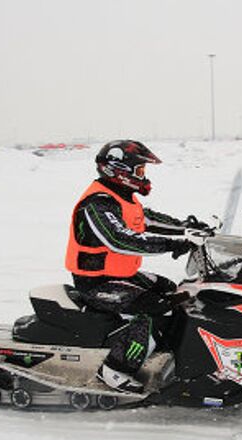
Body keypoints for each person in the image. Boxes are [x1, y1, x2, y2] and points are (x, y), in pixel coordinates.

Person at [65, 139, 202, 393]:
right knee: (155, 308)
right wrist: (173, 244)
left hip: (120, 274)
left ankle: (159, 350)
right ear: (120, 170)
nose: (143, 176)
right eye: (139, 171)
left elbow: (147, 219)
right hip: (95, 282)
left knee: (172, 291)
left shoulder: (123, 198)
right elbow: (120, 239)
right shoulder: (97, 204)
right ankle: (115, 369)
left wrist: (189, 228)